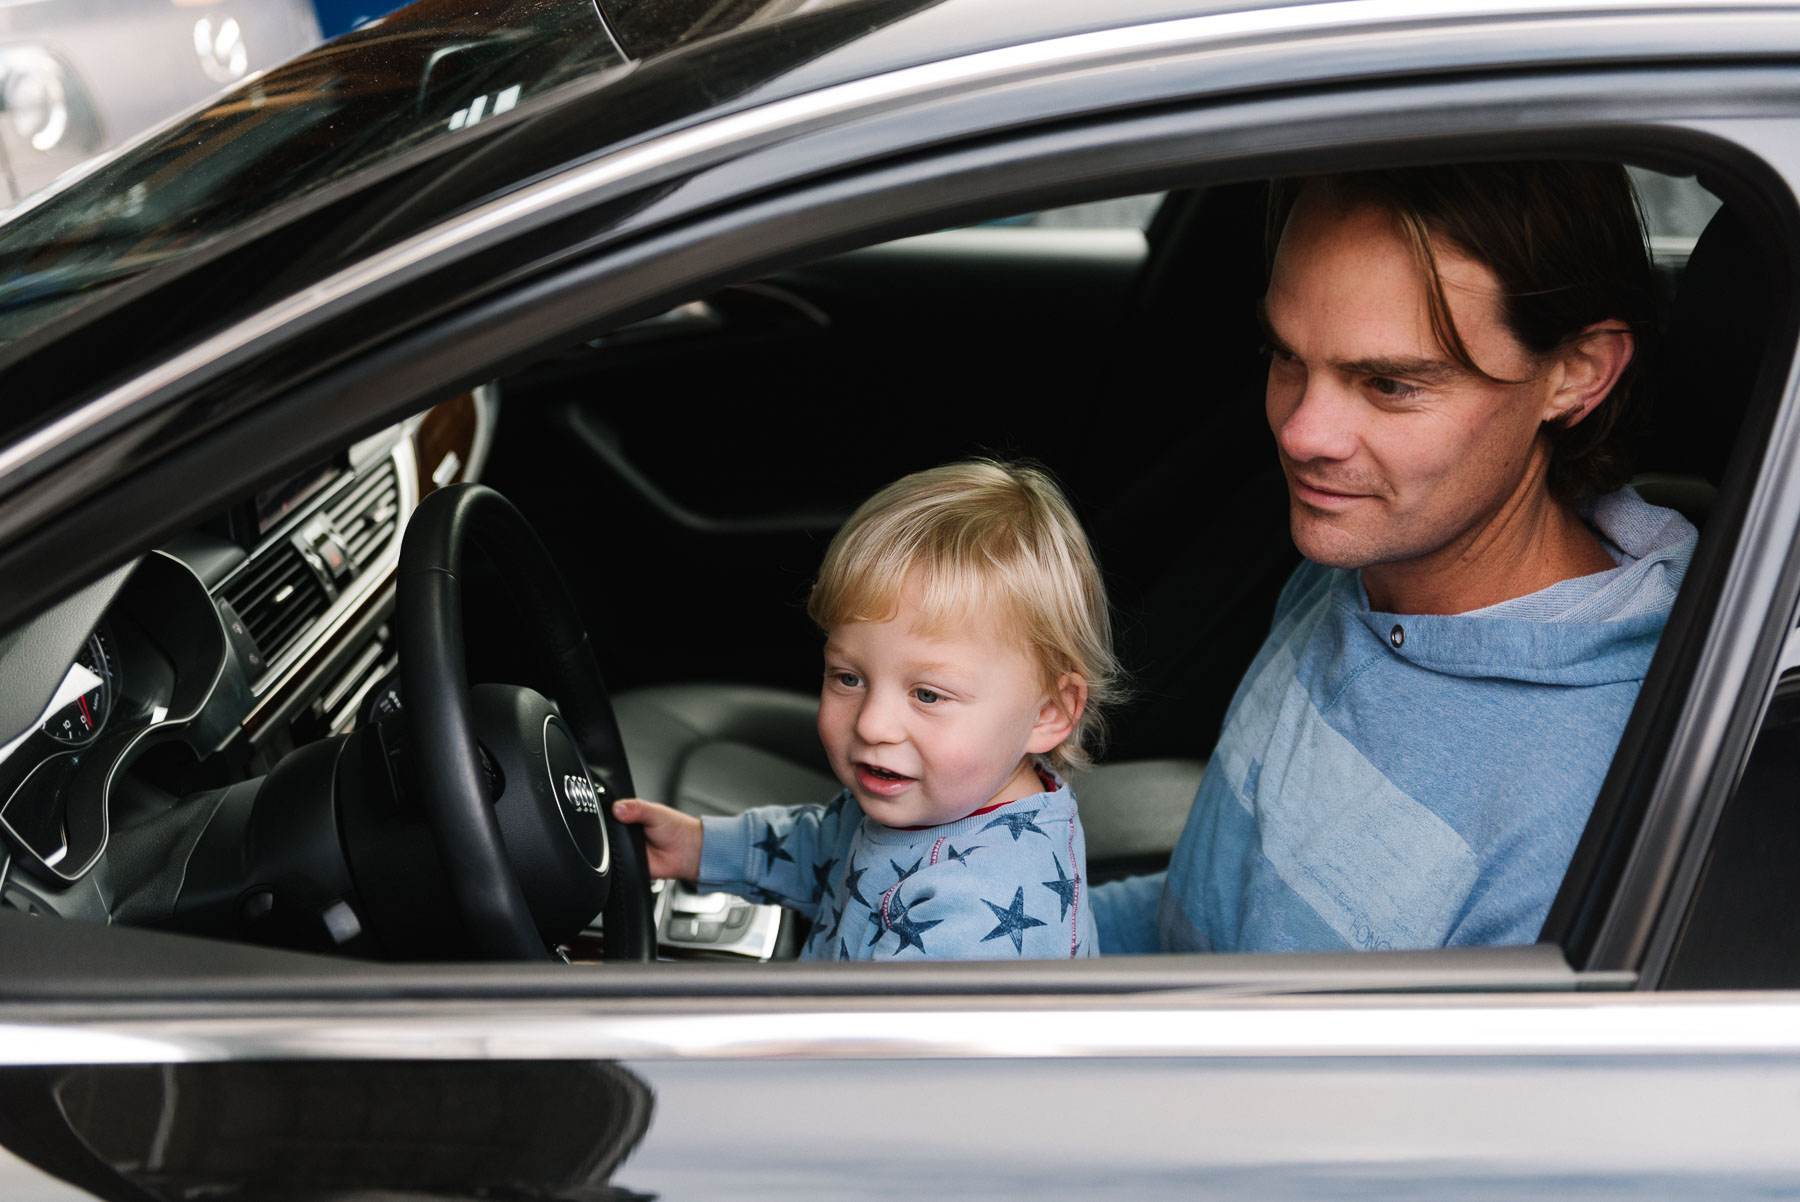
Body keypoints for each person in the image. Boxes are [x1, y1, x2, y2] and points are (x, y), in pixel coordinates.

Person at [1094, 162, 1699, 954]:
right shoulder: (1363, 566)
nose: (1300, 433)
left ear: (1576, 374)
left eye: (1388, 384)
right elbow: (1208, 914)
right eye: (1285, 355)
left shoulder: (1589, 807)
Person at [612, 460, 1120, 959]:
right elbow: (827, 847)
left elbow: (877, 1044)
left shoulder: (977, 924)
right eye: (848, 678)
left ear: (1049, 714)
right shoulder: (936, 797)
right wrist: (697, 847)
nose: (871, 724)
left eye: (927, 695)